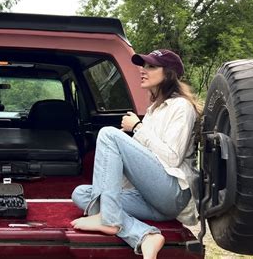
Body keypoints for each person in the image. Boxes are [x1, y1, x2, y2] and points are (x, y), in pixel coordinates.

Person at [70, 49, 201, 259]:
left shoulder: (181, 107)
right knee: (83, 194)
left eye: (151, 66)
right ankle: (144, 235)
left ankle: (109, 219)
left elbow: (171, 158)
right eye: (143, 66)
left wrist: (138, 128)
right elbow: (146, 160)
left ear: (168, 73)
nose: (143, 70)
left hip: (172, 194)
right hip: (148, 198)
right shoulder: (153, 111)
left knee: (108, 134)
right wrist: (124, 148)